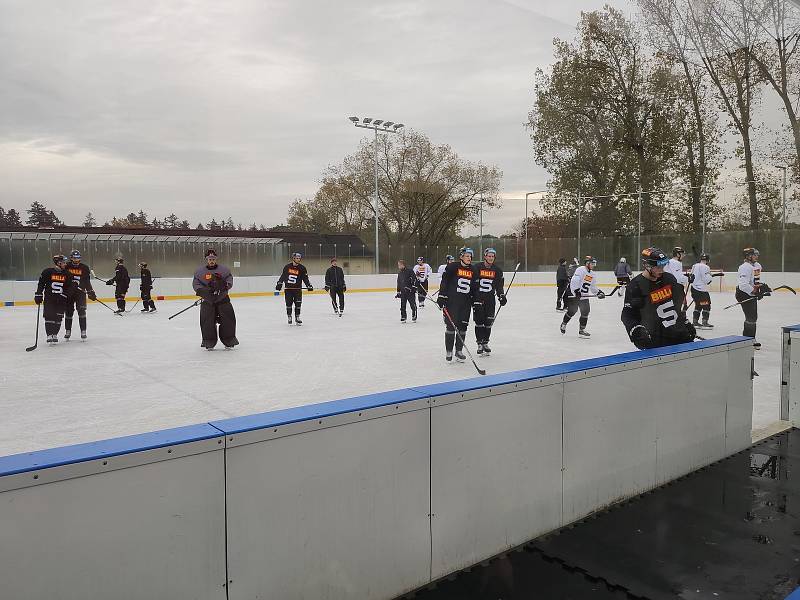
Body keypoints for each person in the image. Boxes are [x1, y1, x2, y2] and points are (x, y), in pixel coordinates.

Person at [621, 247, 696, 349]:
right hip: (656, 341)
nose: (662, 269)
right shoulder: (636, 286)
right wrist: (636, 330)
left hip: (679, 335)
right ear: (646, 265)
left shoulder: (669, 278)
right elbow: (628, 315)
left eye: (663, 265)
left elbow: (677, 305)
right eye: (658, 266)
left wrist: (684, 321)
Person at [192, 248, 238, 350]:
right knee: (207, 322)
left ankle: (229, 341)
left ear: (216, 259)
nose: (211, 261)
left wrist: (223, 285)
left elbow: (229, 280)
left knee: (228, 320)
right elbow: (196, 284)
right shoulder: (199, 272)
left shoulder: (224, 270)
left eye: (213, 259)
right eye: (209, 259)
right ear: (206, 259)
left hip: (223, 299)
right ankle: (208, 342)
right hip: (208, 300)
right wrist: (204, 291)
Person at [437, 247, 476, 362]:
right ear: (461, 257)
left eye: (470, 256)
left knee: (463, 327)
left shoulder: (474, 270)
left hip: (466, 303)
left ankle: (459, 351)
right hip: (452, 302)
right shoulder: (452, 267)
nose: (469, 258)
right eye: (467, 256)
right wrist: (442, 295)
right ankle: (449, 351)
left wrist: (476, 301)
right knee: (451, 327)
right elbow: (445, 281)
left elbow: (474, 287)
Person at [35, 255, 76, 344]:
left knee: (58, 318)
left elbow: (71, 287)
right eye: (64, 262)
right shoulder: (48, 272)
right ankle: (49, 334)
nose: (65, 264)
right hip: (49, 299)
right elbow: (41, 283)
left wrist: (66, 294)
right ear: (59, 263)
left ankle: (55, 334)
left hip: (61, 300)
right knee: (49, 316)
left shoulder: (67, 274)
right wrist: (38, 294)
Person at [560, 256, 604, 338]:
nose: (594, 265)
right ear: (587, 263)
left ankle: (581, 331)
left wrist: (599, 292)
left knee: (586, 311)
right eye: (592, 263)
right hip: (574, 294)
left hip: (584, 296)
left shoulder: (592, 274)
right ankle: (564, 324)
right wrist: (576, 291)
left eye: (594, 263)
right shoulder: (581, 270)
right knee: (572, 311)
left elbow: (593, 287)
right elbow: (574, 281)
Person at [473, 248, 507, 354]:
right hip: (478, 298)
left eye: (493, 256)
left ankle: (485, 342)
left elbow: (499, 286)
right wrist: (474, 299)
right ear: (485, 256)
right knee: (479, 322)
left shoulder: (497, 270)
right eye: (489, 256)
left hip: (490, 299)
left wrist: (501, 295)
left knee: (488, 322)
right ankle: (479, 343)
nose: (491, 258)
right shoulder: (477, 267)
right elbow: (473, 284)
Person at [736, 247, 770, 349]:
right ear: (748, 256)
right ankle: (748, 340)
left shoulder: (757, 266)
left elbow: (755, 281)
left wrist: (761, 287)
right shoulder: (744, 267)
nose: (757, 256)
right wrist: (754, 291)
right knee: (751, 317)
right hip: (743, 294)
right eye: (755, 254)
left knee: (753, 317)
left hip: (751, 293)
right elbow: (743, 285)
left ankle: (748, 340)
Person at [64, 250, 96, 340]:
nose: (76, 260)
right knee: (69, 312)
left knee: (81, 311)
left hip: (80, 293)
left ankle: (83, 330)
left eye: (78, 258)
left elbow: (86, 281)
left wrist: (91, 292)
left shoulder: (85, 268)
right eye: (74, 258)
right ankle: (68, 330)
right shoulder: (66, 266)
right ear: (71, 258)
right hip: (69, 293)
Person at [276, 252, 312, 325]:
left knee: (298, 304)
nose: (298, 260)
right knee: (289, 304)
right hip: (288, 289)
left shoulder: (302, 268)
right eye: (297, 258)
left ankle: (297, 317)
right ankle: (289, 316)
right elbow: (283, 276)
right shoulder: (287, 267)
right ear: (293, 258)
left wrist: (309, 285)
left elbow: (305, 278)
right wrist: (279, 283)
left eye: (299, 258)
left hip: (298, 289)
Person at [689, 253, 714, 329]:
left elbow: (691, 276)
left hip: (694, 289)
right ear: (708, 260)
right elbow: (706, 280)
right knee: (706, 305)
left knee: (698, 305)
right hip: (701, 291)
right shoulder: (706, 267)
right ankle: (705, 322)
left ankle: (695, 322)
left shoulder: (694, 266)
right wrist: (710, 276)